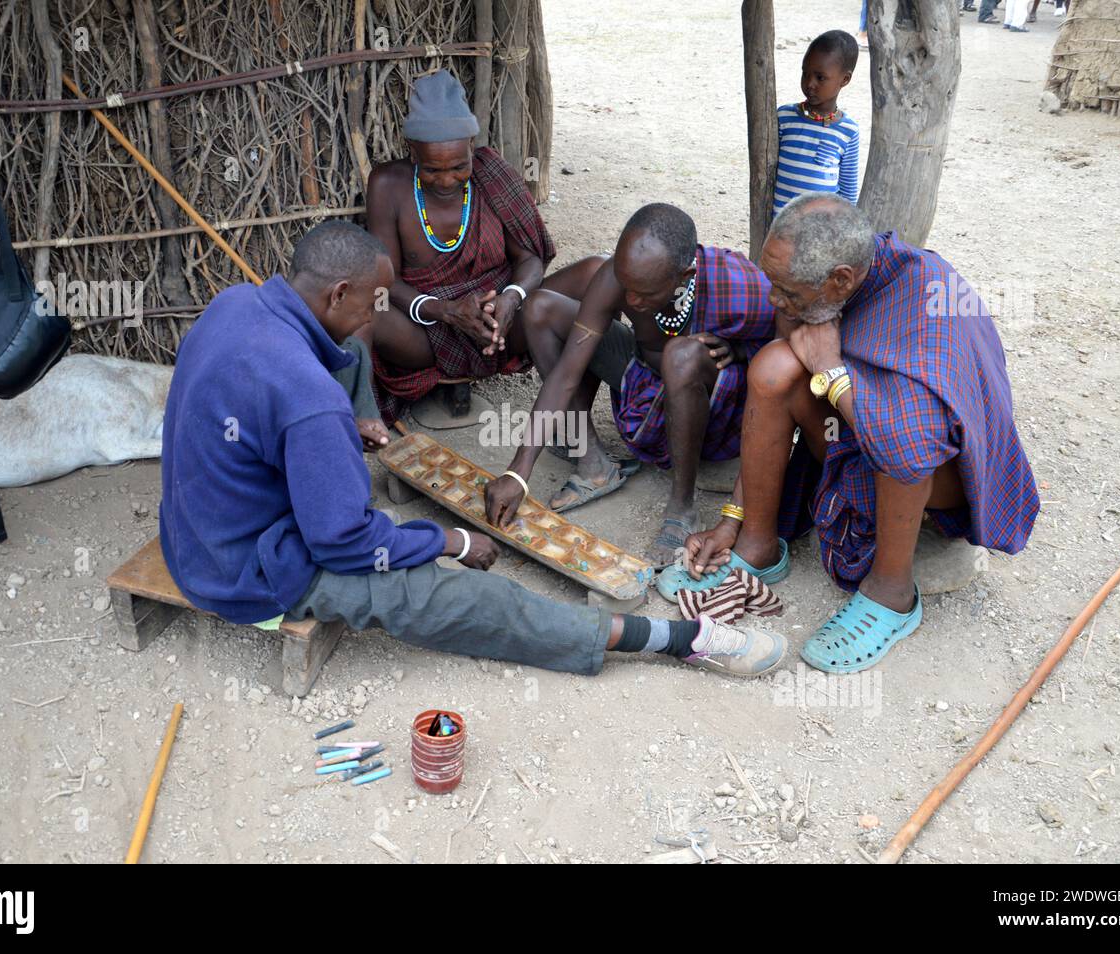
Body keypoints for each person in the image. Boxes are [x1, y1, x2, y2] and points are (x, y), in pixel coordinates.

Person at [158, 221, 786, 680]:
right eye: (374, 302)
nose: (379, 315)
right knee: (458, 598)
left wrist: (341, 423)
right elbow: (344, 544)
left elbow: (286, 390)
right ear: (337, 292)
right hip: (245, 571)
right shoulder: (309, 401)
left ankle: (366, 426)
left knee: (345, 350)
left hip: (193, 533)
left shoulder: (236, 303)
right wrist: (452, 542)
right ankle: (674, 638)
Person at [663, 194, 1040, 674]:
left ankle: (892, 592)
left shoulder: (931, 300)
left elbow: (907, 448)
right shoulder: (819, 288)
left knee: (899, 433)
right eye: (773, 286)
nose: (777, 302)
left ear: (841, 278)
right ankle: (758, 545)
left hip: (932, 474)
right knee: (775, 365)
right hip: (856, 432)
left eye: (789, 294)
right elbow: (785, 374)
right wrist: (734, 518)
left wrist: (831, 370)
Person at [482, 204, 776, 565]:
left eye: (644, 294)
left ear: (683, 276)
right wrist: (518, 472)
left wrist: (743, 351)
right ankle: (593, 464)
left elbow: (786, 354)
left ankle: (682, 507)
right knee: (540, 308)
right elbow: (567, 372)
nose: (631, 300)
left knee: (680, 356)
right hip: (644, 383)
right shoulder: (618, 278)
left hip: (716, 411)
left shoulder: (740, 284)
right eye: (626, 285)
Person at [365, 69, 604, 425]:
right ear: (412, 152)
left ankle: (574, 409)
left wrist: (511, 298)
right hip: (427, 331)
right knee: (367, 312)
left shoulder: (493, 174)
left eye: (460, 166)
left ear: (472, 147)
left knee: (598, 271)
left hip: (504, 323)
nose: (447, 180)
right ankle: (359, 418)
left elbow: (530, 260)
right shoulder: (387, 184)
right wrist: (446, 311)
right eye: (432, 170)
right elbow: (384, 282)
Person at [774, 31, 862, 216]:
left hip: (819, 234)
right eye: (805, 74)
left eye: (820, 77)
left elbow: (848, 194)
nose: (809, 83)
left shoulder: (848, 132)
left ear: (844, 79)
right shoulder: (784, 117)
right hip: (779, 231)